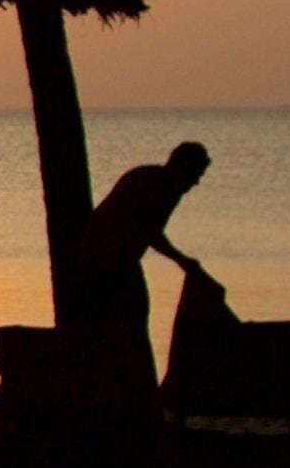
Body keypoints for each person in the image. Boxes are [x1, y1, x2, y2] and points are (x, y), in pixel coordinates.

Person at [71, 140, 211, 340]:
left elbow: (150, 230)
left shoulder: (161, 183)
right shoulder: (159, 185)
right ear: (181, 166)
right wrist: (182, 260)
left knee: (132, 314)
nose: (195, 182)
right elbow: (148, 229)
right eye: (195, 174)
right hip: (105, 260)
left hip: (115, 260)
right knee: (130, 316)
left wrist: (181, 260)